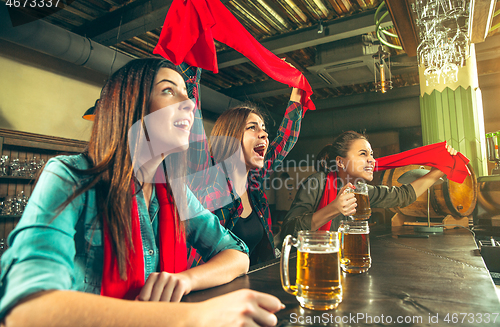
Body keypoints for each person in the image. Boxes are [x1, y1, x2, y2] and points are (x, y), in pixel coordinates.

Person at [0, 58, 284, 327]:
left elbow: (236, 253)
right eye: (168, 91)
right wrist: (196, 316)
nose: (188, 104)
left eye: (186, 95)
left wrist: (186, 280)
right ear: (131, 107)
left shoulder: (174, 192)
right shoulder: (68, 176)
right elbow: (25, 309)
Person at [188, 87, 303, 266]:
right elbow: (190, 113)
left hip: (249, 287)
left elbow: (284, 140)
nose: (264, 134)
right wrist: (194, 64)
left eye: (264, 129)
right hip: (206, 291)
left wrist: (297, 94)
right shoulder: (207, 177)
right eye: (252, 127)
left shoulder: (253, 183)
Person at [279, 130, 458, 241]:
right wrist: (334, 208)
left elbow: (403, 195)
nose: (372, 160)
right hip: (307, 266)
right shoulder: (317, 182)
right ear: (340, 162)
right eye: (363, 154)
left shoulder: (362, 191)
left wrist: (441, 169)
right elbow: (289, 230)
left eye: (371, 154)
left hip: (343, 263)